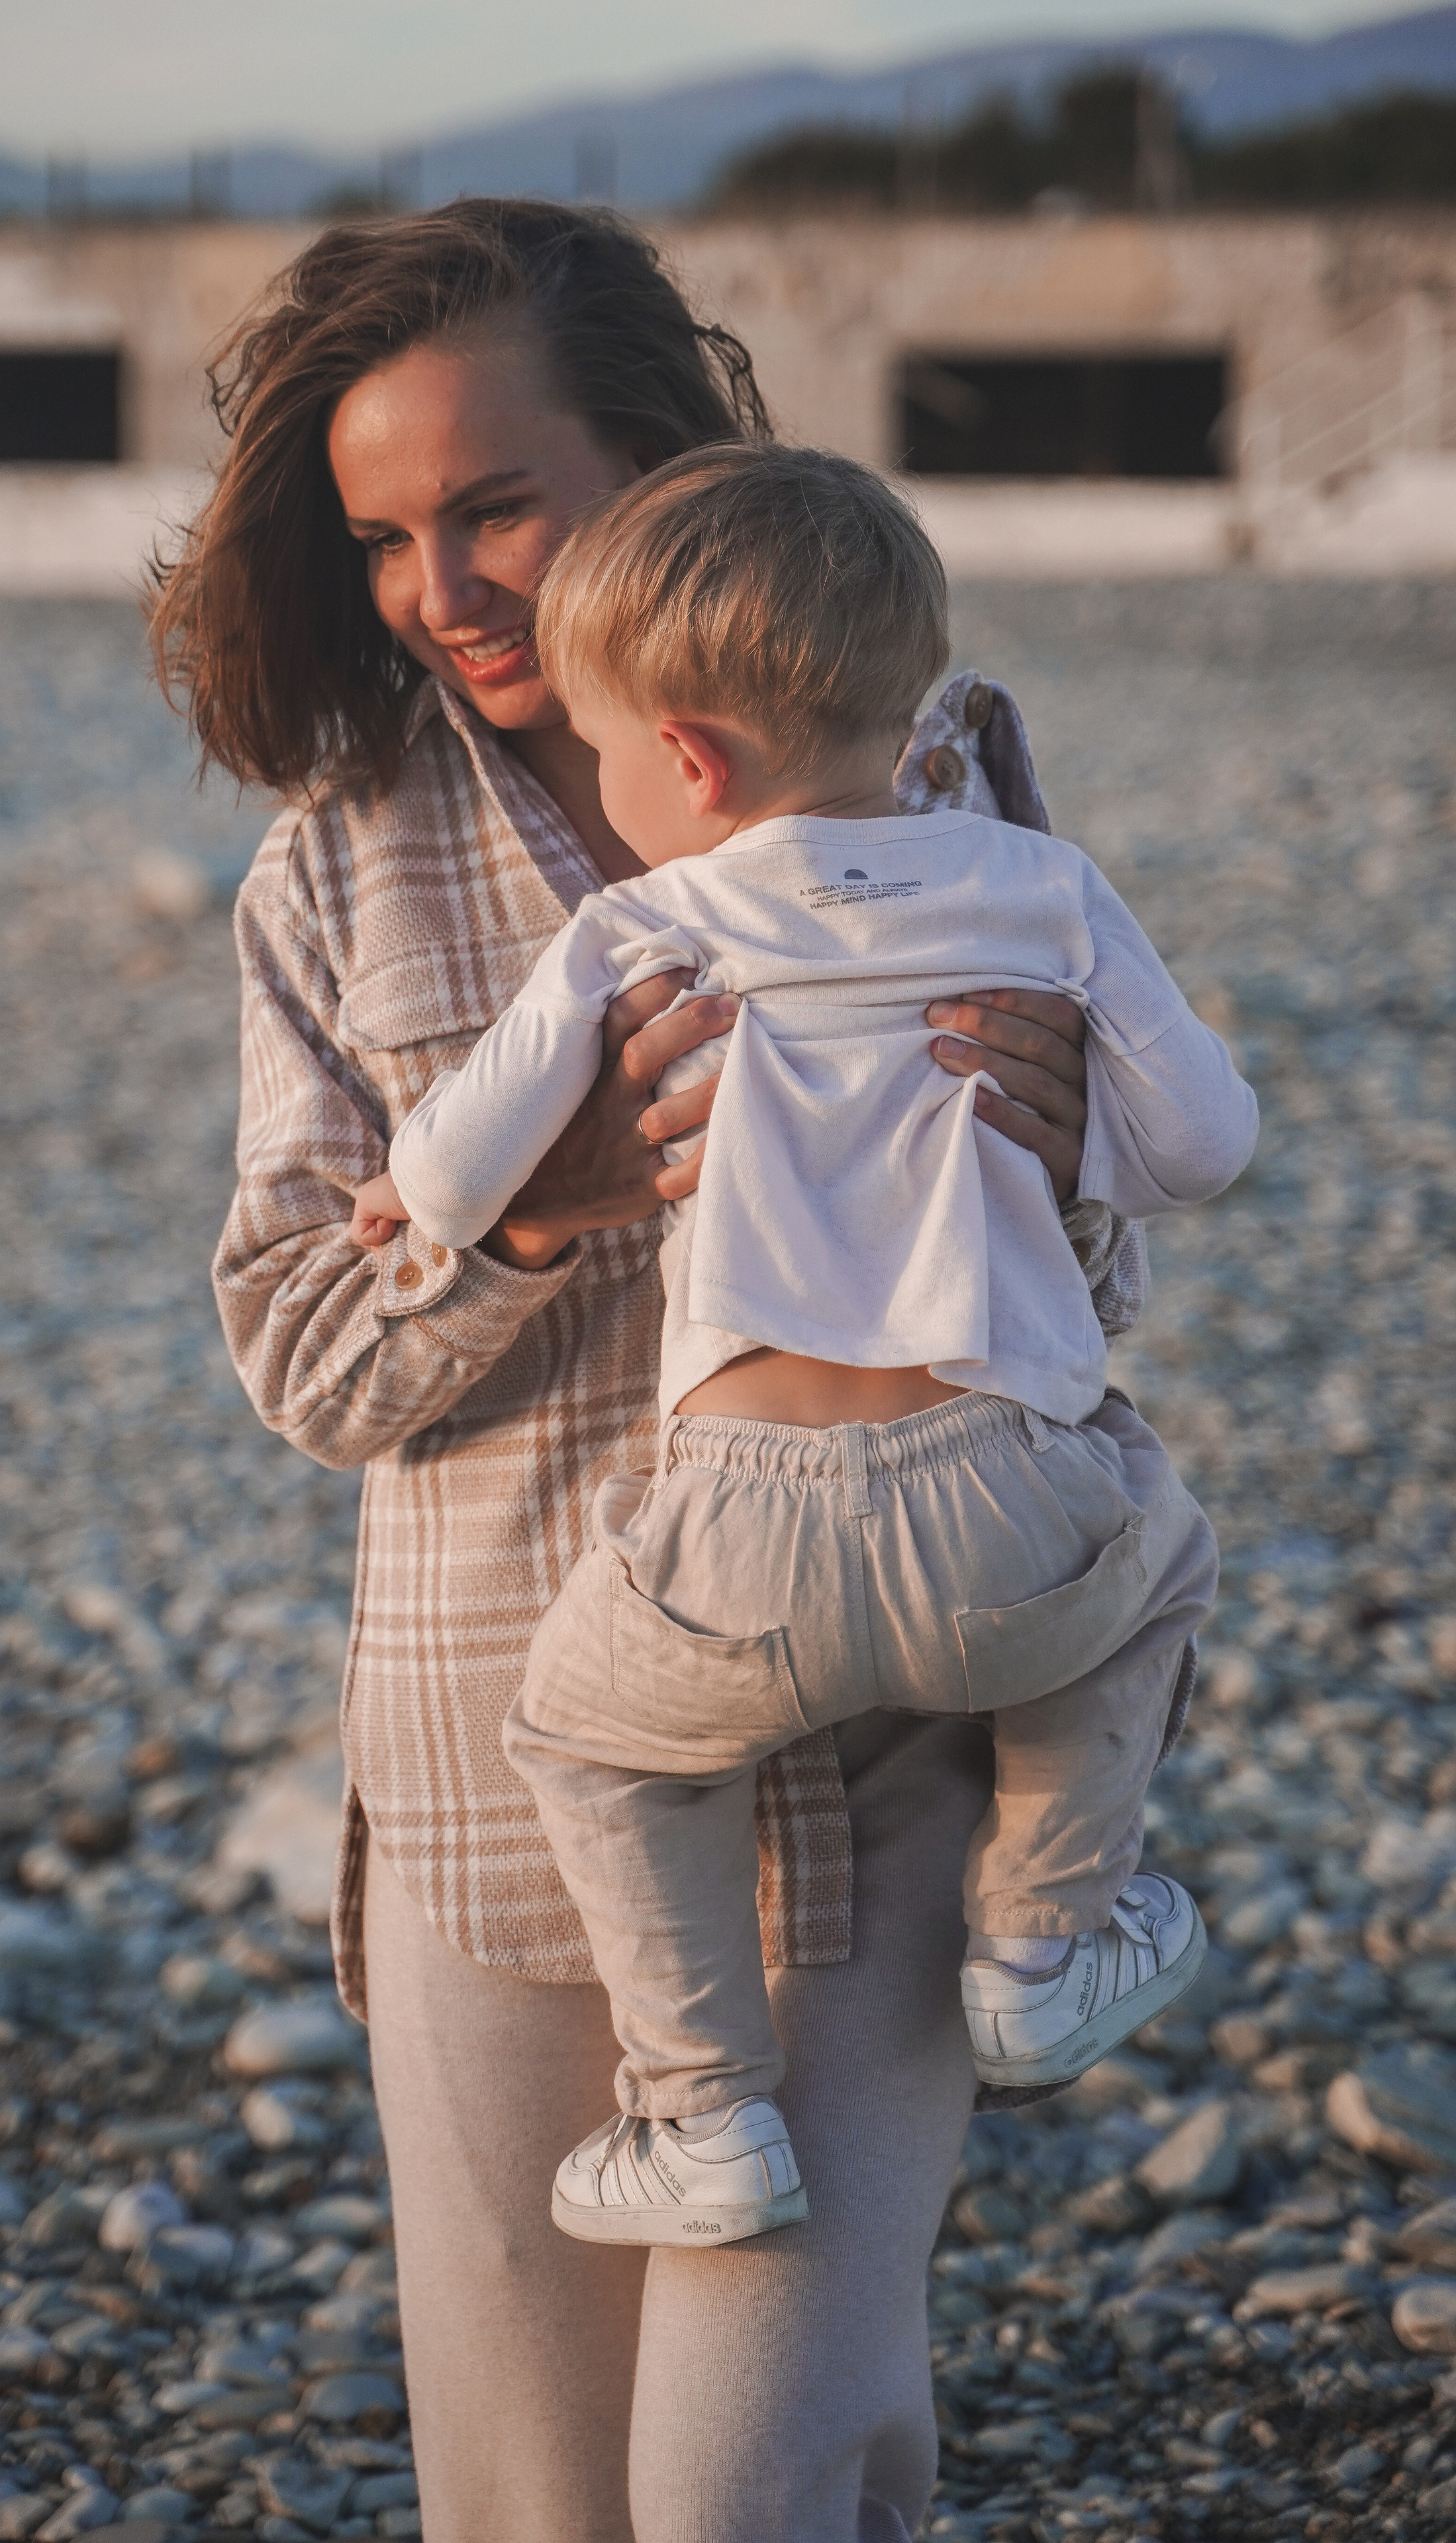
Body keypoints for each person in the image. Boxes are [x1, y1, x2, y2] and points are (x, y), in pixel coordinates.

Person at [152, 197, 1138, 2543]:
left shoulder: (944, 765)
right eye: (385, 535)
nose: (443, 586)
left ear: (668, 461)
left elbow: (1072, 1271)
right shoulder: (341, 868)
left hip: (891, 1761)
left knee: (759, 2484)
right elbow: (299, 1348)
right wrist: (556, 1192)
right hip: (515, 1798)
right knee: (534, 2499)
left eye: (495, 503)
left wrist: (1079, 1155)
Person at [349, 440, 1255, 2246]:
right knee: (1155, 1561)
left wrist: (419, 1208)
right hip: (1008, 1496)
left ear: (686, 757)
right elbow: (1211, 1147)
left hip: (741, 1535)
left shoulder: (643, 916)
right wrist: (1090, 1141)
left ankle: (699, 2115)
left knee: (591, 1744)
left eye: (615, 756)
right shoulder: (1036, 887)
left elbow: (454, 1168)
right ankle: (1046, 1942)